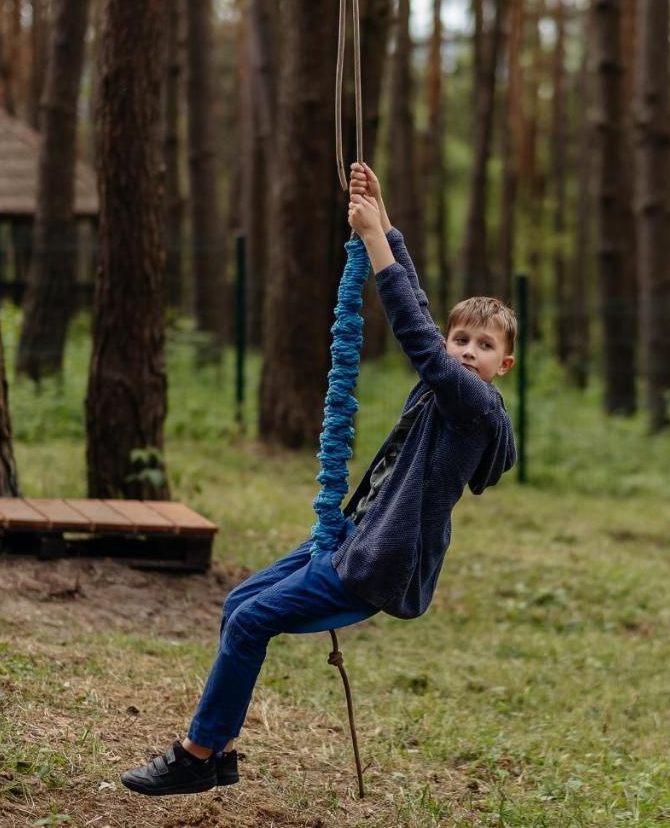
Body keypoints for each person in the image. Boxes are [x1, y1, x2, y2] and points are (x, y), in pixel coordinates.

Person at [120, 163, 517, 796]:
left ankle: (194, 754)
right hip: (351, 536)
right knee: (237, 606)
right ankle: (220, 751)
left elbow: (413, 333)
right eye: (461, 338)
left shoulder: (473, 405)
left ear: (504, 364)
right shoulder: (448, 384)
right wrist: (382, 218)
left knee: (251, 623)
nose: (468, 351)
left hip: (376, 561)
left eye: (485, 346)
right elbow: (416, 304)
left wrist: (373, 244)